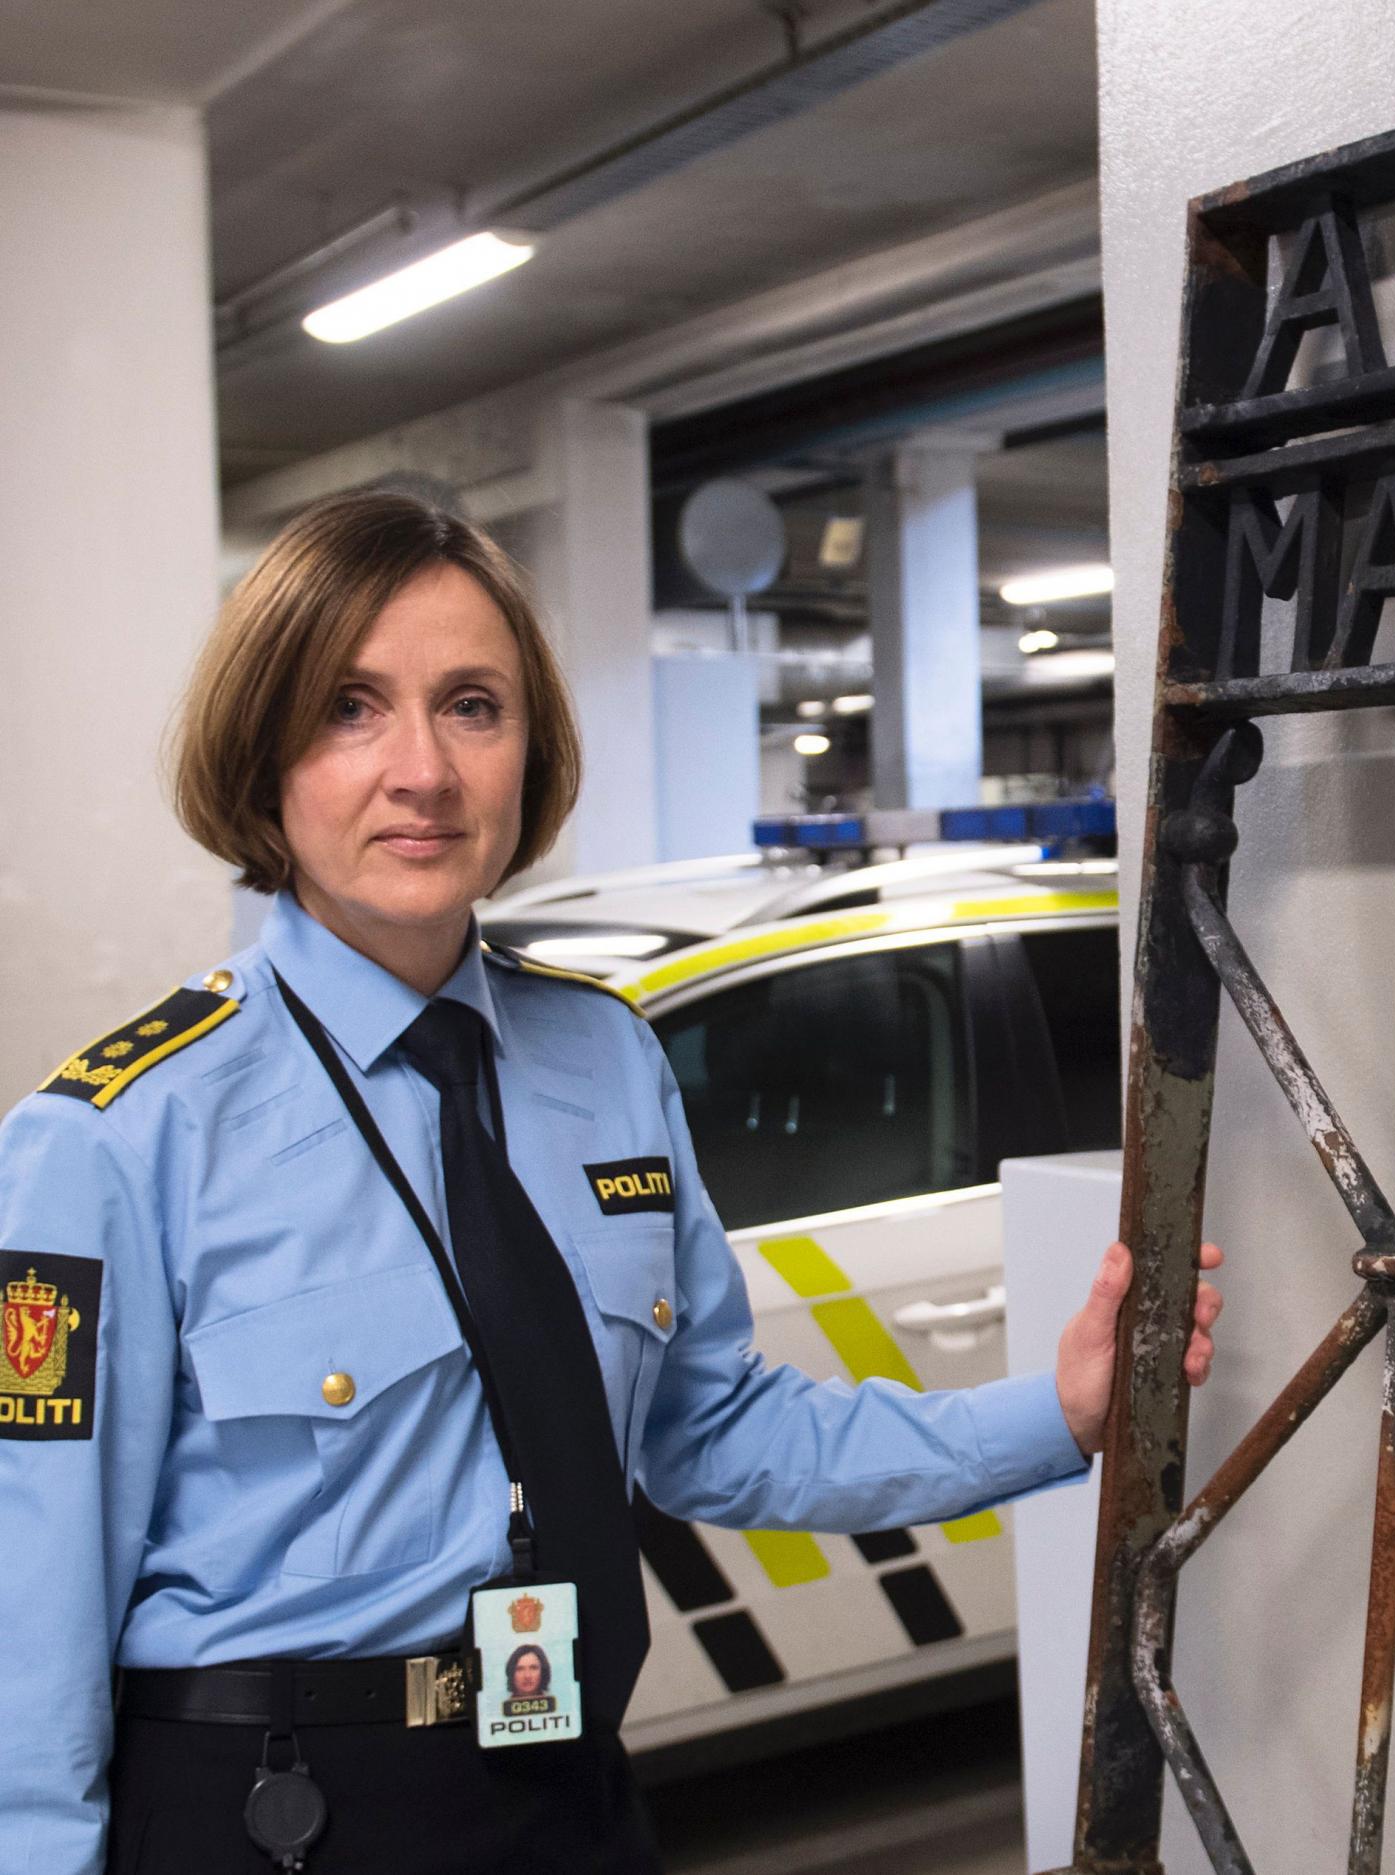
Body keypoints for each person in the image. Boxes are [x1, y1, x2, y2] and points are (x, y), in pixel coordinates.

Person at [0, 491, 1223, 1875]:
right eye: (350, 708)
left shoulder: (603, 1062)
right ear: (261, 749)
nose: (423, 770)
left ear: (530, 748)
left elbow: (716, 1430)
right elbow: (28, 1616)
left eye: (472, 705)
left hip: (562, 1784)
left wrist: (1055, 1416)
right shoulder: (117, 1136)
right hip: (274, 1816)